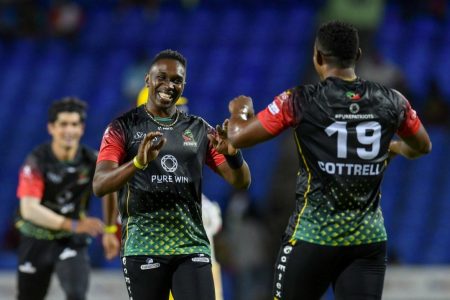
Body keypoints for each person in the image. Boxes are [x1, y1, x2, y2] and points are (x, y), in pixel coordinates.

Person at [226, 21, 432, 300]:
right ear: (357, 55)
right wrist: (396, 148)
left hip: (312, 238)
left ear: (318, 57)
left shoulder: (300, 100)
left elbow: (238, 137)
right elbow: (423, 145)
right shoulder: (392, 100)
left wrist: (240, 110)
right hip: (366, 242)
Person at [94, 49, 251, 300]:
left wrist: (233, 154)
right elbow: (101, 185)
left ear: (184, 85)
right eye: (162, 78)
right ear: (148, 79)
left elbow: (242, 181)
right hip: (144, 246)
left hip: (192, 246)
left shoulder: (199, 129)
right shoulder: (121, 128)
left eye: (177, 80)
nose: (169, 85)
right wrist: (137, 163)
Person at [15, 97, 114, 300]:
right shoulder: (36, 161)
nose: (69, 130)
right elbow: (29, 209)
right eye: (63, 124)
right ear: (51, 128)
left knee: (76, 294)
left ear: (82, 128)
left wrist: (111, 230)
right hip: (36, 238)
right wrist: (73, 224)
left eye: (74, 124)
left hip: (70, 242)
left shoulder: (91, 160)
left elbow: (113, 189)